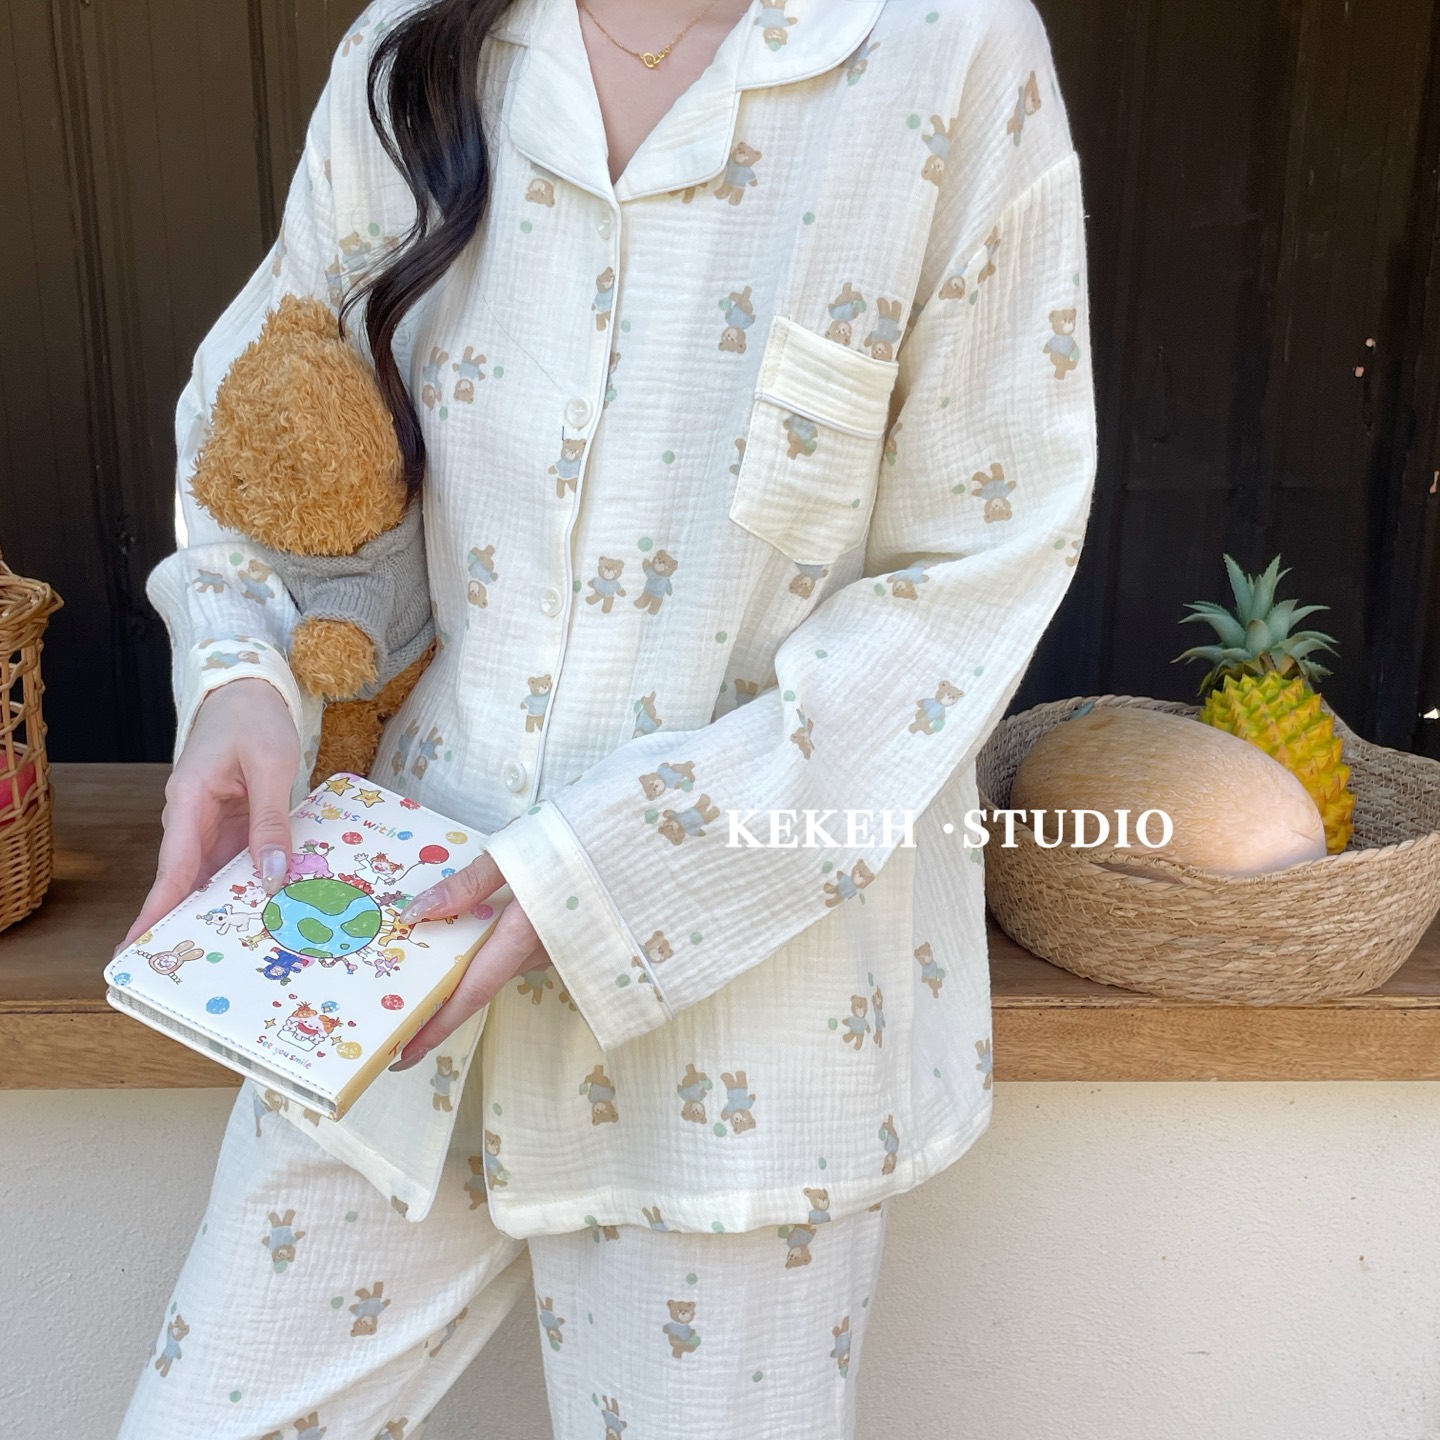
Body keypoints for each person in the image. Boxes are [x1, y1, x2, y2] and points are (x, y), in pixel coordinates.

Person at [116, 0, 1097, 1433]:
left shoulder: (944, 48)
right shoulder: (416, 43)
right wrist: (244, 673)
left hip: (745, 1026)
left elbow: (973, 573)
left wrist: (607, 874)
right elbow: (275, 409)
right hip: (393, 957)